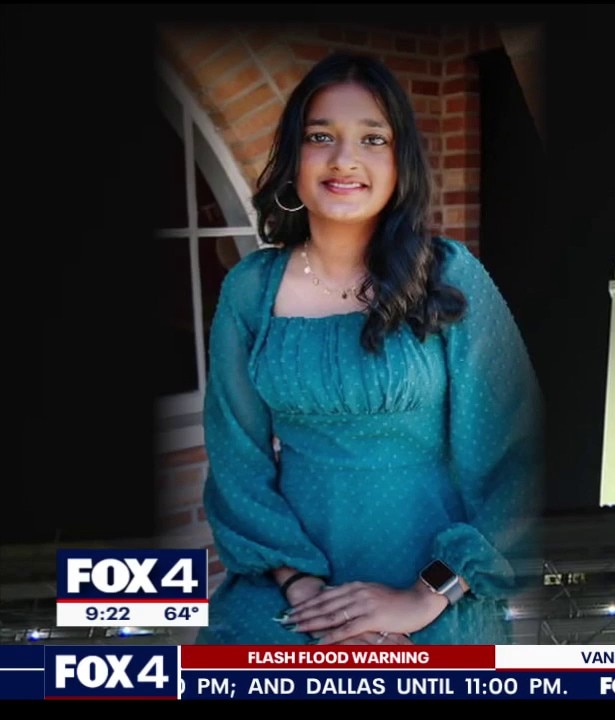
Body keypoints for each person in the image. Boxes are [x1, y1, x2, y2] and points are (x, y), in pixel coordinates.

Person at [196, 52, 543, 646]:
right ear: (294, 157)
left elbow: (517, 458)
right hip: (291, 585)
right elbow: (236, 459)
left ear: (400, 162)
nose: (344, 159)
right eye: (320, 136)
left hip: (434, 585)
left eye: (372, 138)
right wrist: (305, 592)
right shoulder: (251, 289)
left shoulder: (449, 276)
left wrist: (422, 597)